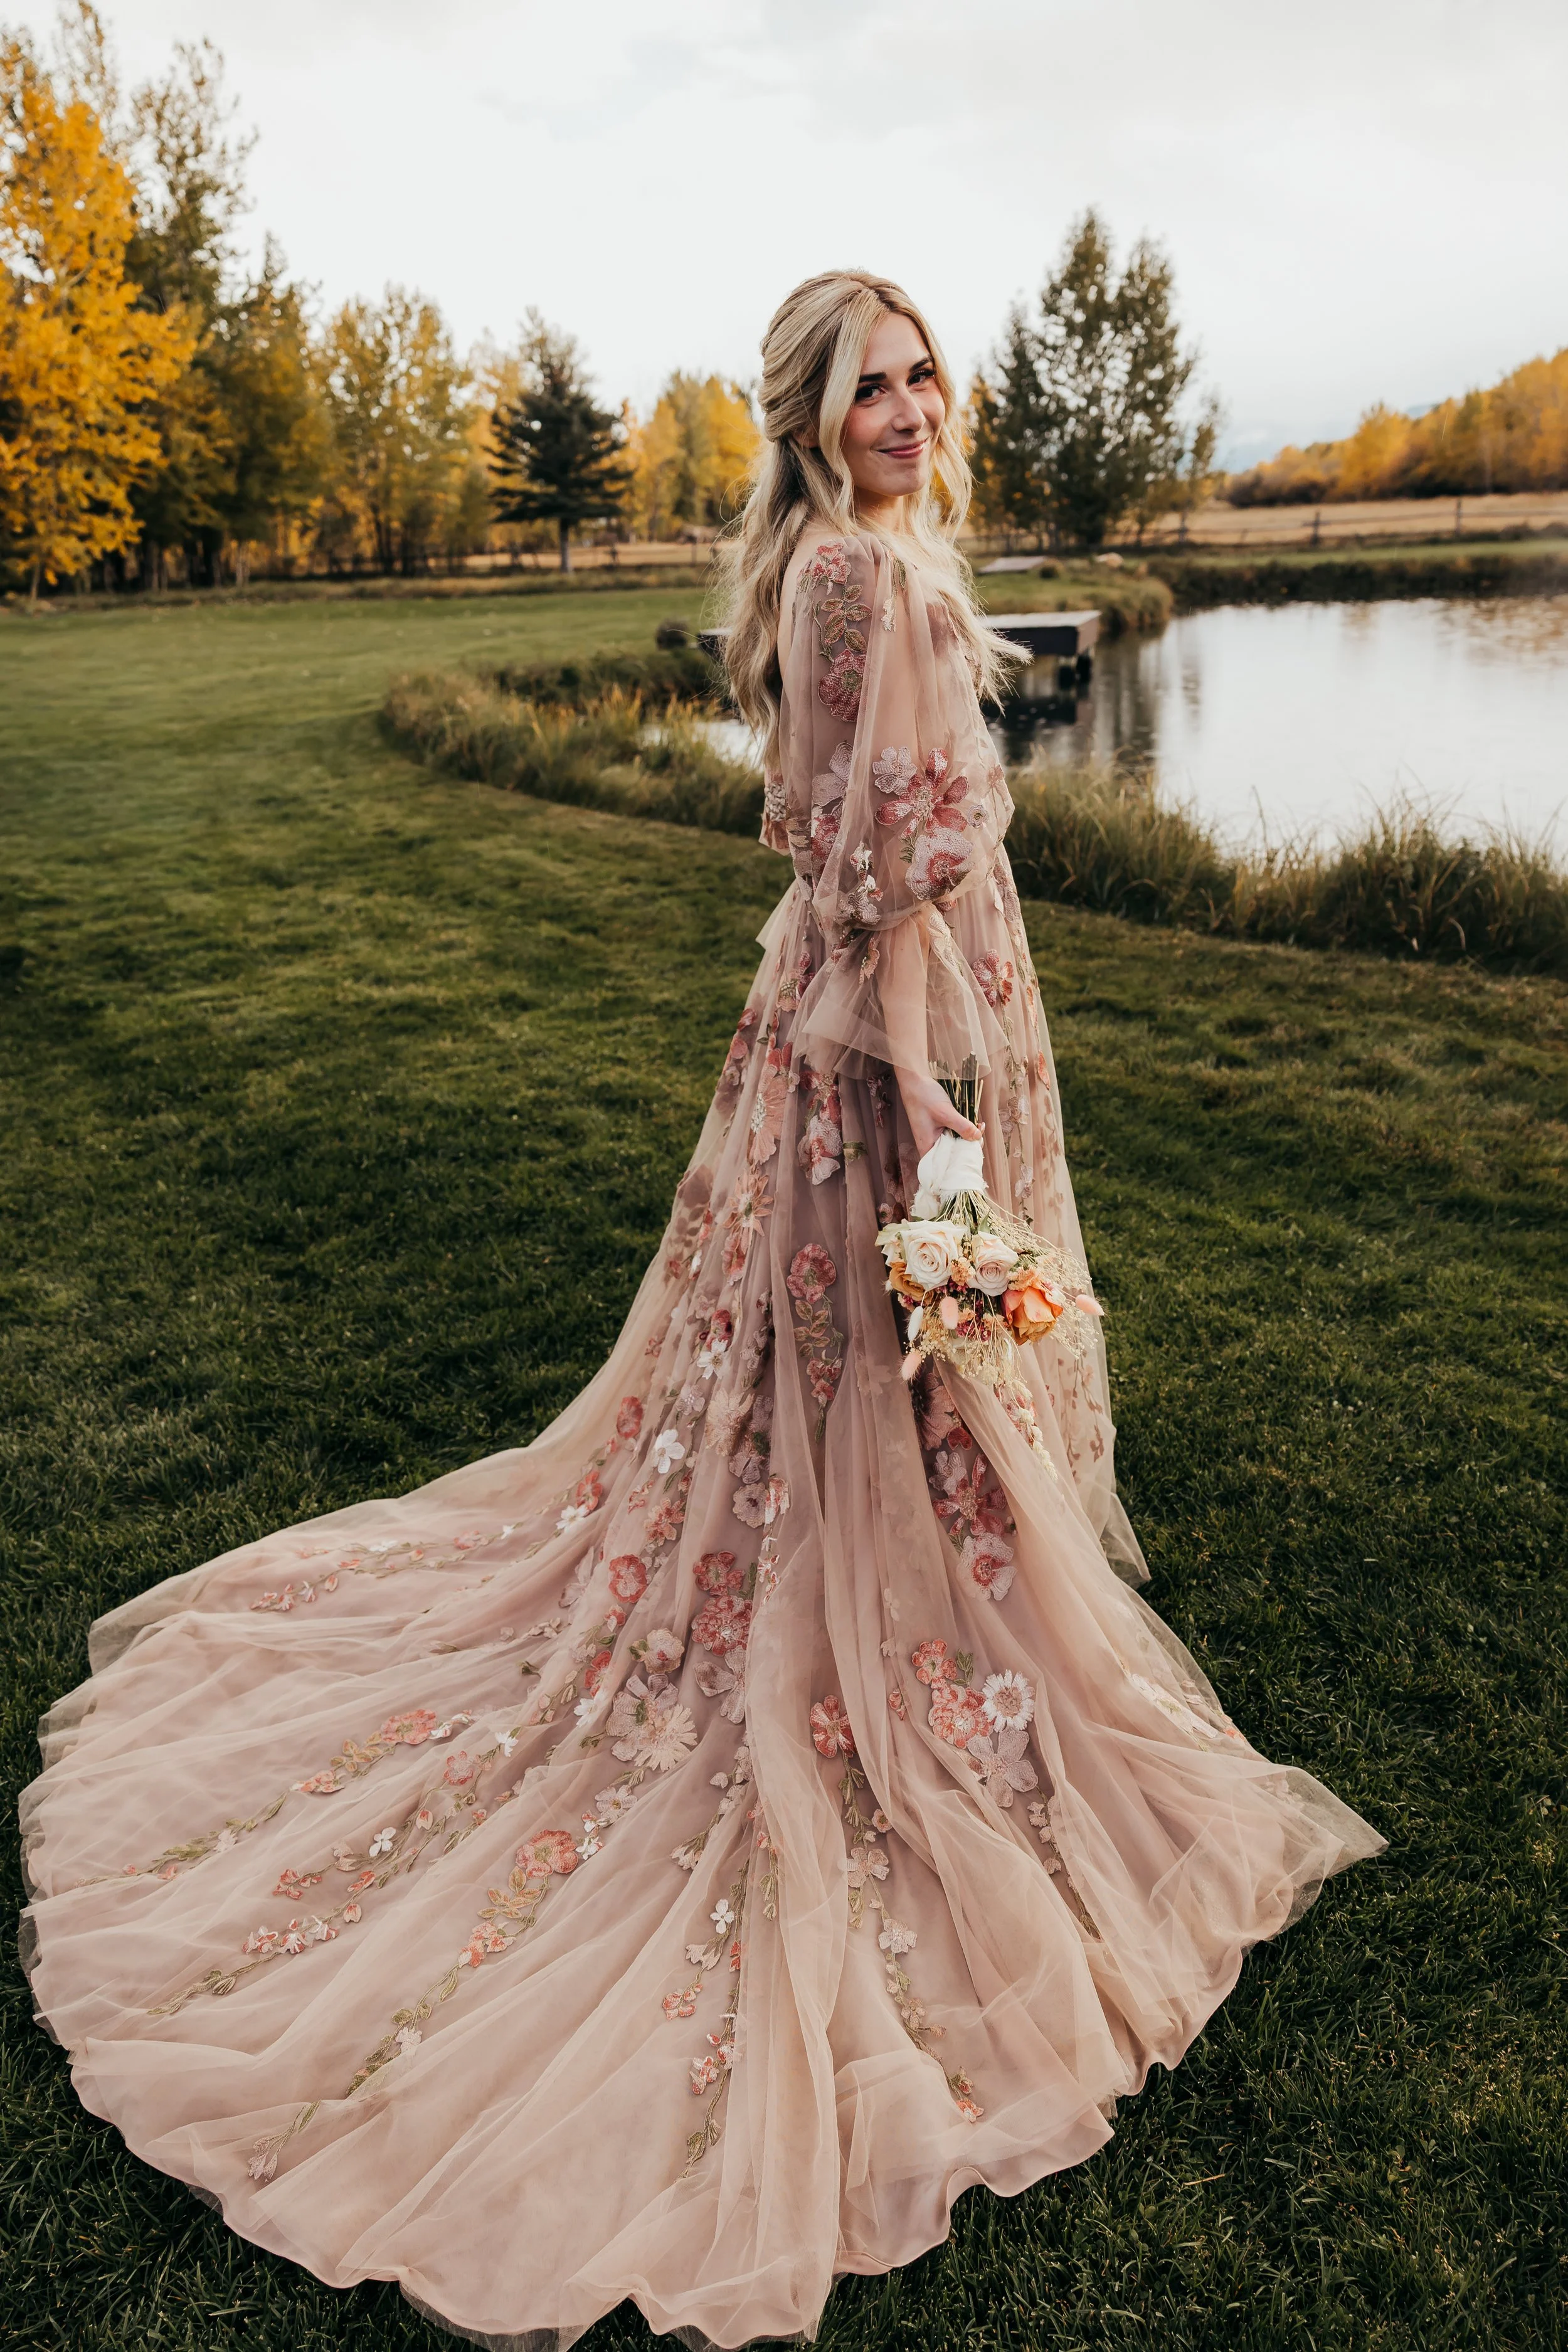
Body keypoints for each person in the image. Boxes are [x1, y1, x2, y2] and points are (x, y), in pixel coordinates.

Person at [19, 270, 1382, 2350]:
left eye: (924, 374)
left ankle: (926, 1571)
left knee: (828, 1375)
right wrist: (930, 1105)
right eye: (871, 387)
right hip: (896, 1032)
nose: (911, 408)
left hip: (842, 1015)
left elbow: (824, 833)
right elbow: (895, 874)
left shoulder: (839, 572)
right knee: (903, 1353)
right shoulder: (879, 586)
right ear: (813, 420)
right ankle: (924, 1616)